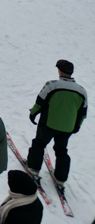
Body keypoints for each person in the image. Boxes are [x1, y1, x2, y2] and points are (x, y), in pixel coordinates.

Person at [25, 59, 87, 187]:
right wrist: (77, 126)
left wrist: (33, 113)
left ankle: (33, 167)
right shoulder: (82, 91)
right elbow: (83, 113)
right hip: (67, 127)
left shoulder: (52, 85)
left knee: (39, 143)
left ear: (59, 71)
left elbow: (40, 102)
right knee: (61, 150)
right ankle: (60, 178)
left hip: (48, 123)